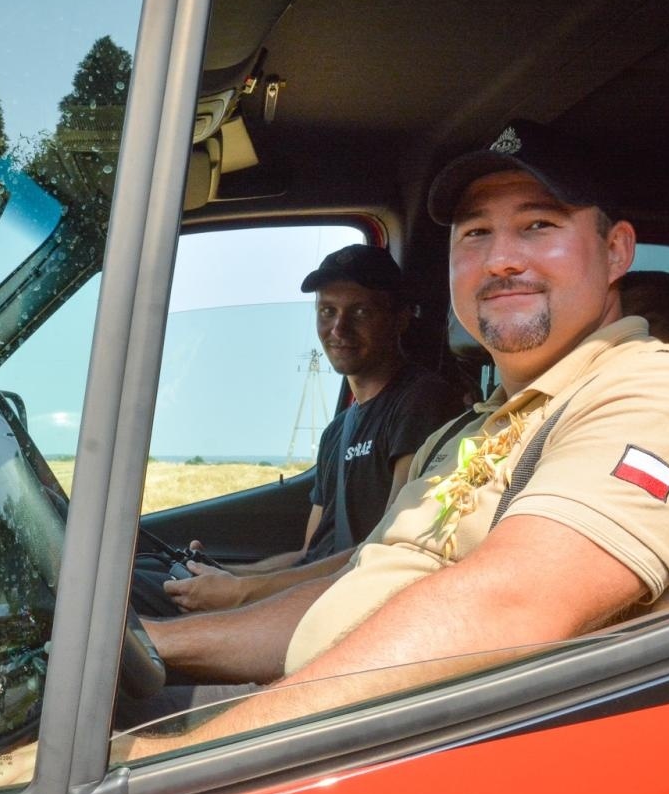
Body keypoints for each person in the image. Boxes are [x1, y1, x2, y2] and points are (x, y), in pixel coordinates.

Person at [0, 122, 669, 790]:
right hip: (367, 727)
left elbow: (508, 606)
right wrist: (154, 643)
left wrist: (193, 760)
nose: (501, 258)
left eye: (539, 226)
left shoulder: (660, 398)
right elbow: (358, 584)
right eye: (475, 234)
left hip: (460, 773)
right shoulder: (479, 427)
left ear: (618, 251)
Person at [158, 244, 463, 613]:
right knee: (150, 581)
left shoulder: (422, 402)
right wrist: (225, 574)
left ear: (399, 318)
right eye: (327, 311)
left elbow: (388, 549)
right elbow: (309, 554)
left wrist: (242, 593)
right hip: (315, 594)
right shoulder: (337, 432)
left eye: (360, 312)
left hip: (353, 606)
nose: (338, 328)